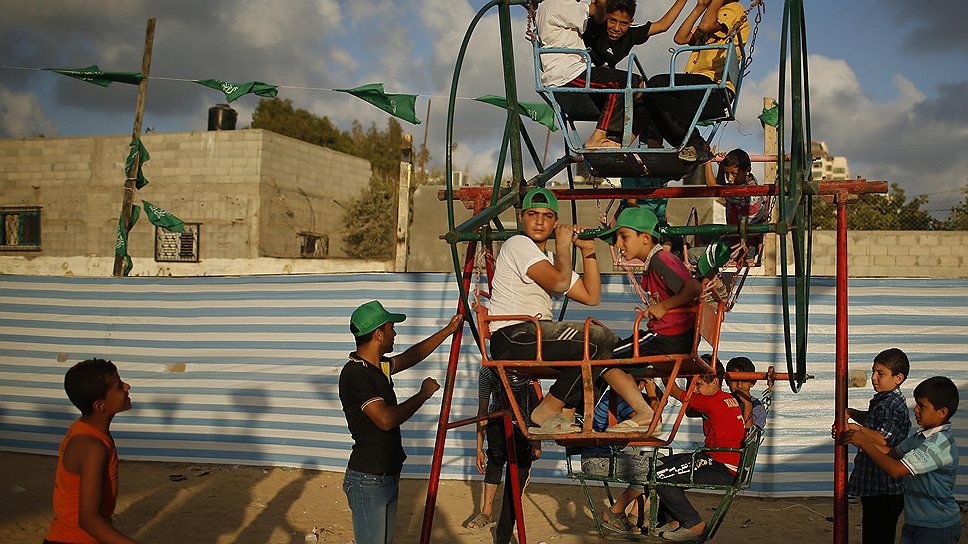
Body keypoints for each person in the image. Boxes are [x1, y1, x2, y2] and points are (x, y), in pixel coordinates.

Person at [487, 187, 654, 435]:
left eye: (547, 216)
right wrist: (565, 246)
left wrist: (588, 252)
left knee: (609, 347)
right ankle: (547, 410)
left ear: (555, 221)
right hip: (513, 336)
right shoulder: (517, 244)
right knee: (597, 339)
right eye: (533, 214)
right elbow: (558, 283)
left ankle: (643, 412)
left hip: (537, 335)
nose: (540, 221)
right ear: (521, 217)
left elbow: (591, 296)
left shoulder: (548, 258)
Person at [338, 300, 463, 544]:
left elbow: (412, 355)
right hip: (368, 479)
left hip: (385, 475)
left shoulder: (378, 367)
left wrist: (448, 331)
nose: (395, 333)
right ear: (378, 334)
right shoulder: (355, 373)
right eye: (391, 328)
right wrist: (423, 395)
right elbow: (385, 419)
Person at [595, 207, 703, 417]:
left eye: (623, 237)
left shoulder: (661, 260)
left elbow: (694, 288)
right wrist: (654, 309)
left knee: (602, 356)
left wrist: (662, 307)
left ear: (645, 238)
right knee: (614, 357)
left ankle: (633, 412)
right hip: (671, 336)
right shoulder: (655, 262)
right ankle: (638, 411)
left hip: (668, 337)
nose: (618, 245)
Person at [842, 376, 960, 544]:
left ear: (942, 412)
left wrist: (865, 442)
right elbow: (892, 453)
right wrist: (858, 436)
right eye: (917, 404)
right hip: (917, 522)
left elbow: (896, 470)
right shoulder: (921, 436)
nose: (916, 410)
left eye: (922, 406)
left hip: (937, 526)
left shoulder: (939, 444)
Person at [44, 358, 141, 544]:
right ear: (100, 405)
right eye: (119, 387)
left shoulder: (85, 430)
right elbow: (88, 520)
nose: (128, 386)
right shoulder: (91, 447)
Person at [644, 0, 750, 162]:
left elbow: (706, 26)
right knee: (647, 98)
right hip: (699, 87)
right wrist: (700, 6)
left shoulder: (733, 9)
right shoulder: (714, 15)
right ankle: (673, 144)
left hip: (715, 89)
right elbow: (680, 38)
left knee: (658, 85)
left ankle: (695, 143)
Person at [536, 0, 652, 147]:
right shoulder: (558, 4)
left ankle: (616, 142)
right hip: (568, 72)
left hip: (570, 70)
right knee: (626, 82)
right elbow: (598, 8)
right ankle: (599, 137)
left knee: (646, 98)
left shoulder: (545, 7)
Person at [652, 364, 745, 541]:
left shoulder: (712, 401)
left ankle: (694, 525)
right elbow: (690, 411)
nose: (695, 389)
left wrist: (667, 368)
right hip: (721, 460)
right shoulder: (725, 398)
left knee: (660, 476)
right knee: (663, 464)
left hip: (721, 467)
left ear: (715, 382)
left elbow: (673, 390)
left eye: (698, 384)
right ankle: (675, 522)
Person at [841, 348, 912, 544]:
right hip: (875, 487)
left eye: (880, 374)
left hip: (884, 488)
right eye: (873, 372)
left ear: (898, 378)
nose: (873, 378)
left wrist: (855, 429)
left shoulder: (892, 403)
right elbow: (874, 421)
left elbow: (883, 438)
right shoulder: (883, 400)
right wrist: (852, 413)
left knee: (878, 536)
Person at [466, 366, 541, 542]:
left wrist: (536, 439)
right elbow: (483, 410)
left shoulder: (527, 368)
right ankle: (486, 513)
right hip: (498, 420)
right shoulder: (488, 371)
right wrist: (478, 447)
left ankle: (504, 532)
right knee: (494, 461)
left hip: (523, 427)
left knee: (516, 479)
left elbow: (536, 404)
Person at [688, 148, 767, 265]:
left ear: (747, 170)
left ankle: (709, 266)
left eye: (734, 174)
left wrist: (708, 161)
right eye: (727, 173)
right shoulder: (750, 182)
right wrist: (721, 167)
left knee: (691, 254)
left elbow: (712, 187)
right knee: (702, 232)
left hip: (741, 248)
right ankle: (710, 257)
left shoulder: (744, 193)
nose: (730, 179)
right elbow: (722, 186)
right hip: (736, 237)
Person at [582, 0, 689, 71]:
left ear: (630, 22)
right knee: (634, 81)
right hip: (585, 73)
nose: (616, 28)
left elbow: (662, 26)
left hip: (608, 77)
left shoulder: (632, 33)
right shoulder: (598, 25)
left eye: (623, 23)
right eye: (612, 20)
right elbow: (601, 4)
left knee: (639, 87)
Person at [724, 356, 766, 431]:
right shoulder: (723, 401)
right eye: (735, 380)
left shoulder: (757, 407)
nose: (739, 385)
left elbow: (750, 436)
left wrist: (747, 403)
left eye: (744, 381)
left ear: (752, 382)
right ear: (727, 382)